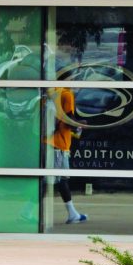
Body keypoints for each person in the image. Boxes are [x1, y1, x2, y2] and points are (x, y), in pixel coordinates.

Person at [45, 87, 88, 224]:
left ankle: (72, 214)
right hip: (58, 145)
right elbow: (69, 120)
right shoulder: (66, 94)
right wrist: (80, 124)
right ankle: (27, 212)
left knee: (59, 180)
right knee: (52, 181)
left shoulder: (51, 94)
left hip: (53, 143)